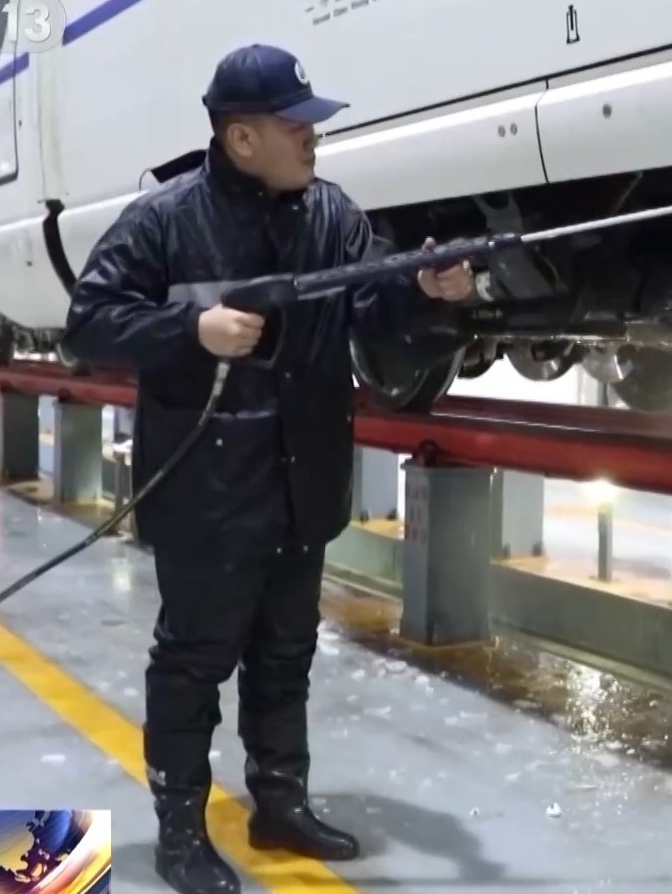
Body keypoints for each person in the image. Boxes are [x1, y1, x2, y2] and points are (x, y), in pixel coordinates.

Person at [62, 43, 475, 894]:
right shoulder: (164, 219)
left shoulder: (332, 216)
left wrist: (425, 292)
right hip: (206, 493)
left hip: (299, 485)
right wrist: (192, 331)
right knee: (194, 662)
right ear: (241, 138)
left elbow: (374, 309)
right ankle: (181, 833)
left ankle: (279, 803)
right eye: (296, 126)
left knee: (286, 656)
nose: (313, 138)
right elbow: (89, 322)